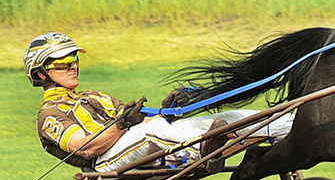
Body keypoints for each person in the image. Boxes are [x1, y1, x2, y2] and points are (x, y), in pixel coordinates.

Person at [24, 32, 292, 172]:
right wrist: (121, 125)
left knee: (230, 118)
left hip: (139, 146)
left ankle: (292, 124)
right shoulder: (49, 116)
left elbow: (143, 122)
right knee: (154, 131)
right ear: (40, 73)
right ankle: (206, 151)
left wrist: (168, 111)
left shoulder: (94, 96)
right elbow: (84, 149)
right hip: (105, 165)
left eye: (74, 59)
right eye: (61, 62)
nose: (72, 66)